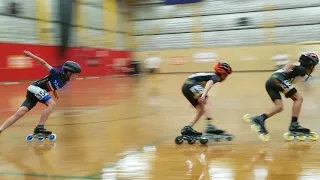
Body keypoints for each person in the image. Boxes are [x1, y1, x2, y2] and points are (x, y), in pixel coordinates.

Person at [0, 50, 81, 135]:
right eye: (76, 74)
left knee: (20, 113)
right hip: (35, 88)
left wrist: (54, 91)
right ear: (69, 72)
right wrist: (31, 55)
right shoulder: (57, 73)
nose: (77, 76)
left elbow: (52, 83)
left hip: (33, 91)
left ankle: (1, 128)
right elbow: (44, 63)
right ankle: (40, 127)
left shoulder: (64, 82)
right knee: (51, 104)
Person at [244, 53, 319, 141]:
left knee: (279, 107)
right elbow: (290, 65)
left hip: (270, 82)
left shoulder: (300, 71)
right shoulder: (302, 69)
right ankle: (294, 124)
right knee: (299, 99)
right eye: (314, 65)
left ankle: (260, 118)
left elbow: (294, 78)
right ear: (311, 65)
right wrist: (284, 72)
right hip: (278, 79)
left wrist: (290, 84)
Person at [180, 62, 232, 136]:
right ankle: (209, 126)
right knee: (206, 101)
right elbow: (209, 83)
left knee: (201, 110)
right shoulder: (215, 77)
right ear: (223, 74)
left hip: (186, 86)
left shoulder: (209, 76)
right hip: (191, 83)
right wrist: (203, 95)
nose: (225, 78)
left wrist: (194, 98)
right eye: (226, 76)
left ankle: (188, 128)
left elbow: (201, 85)